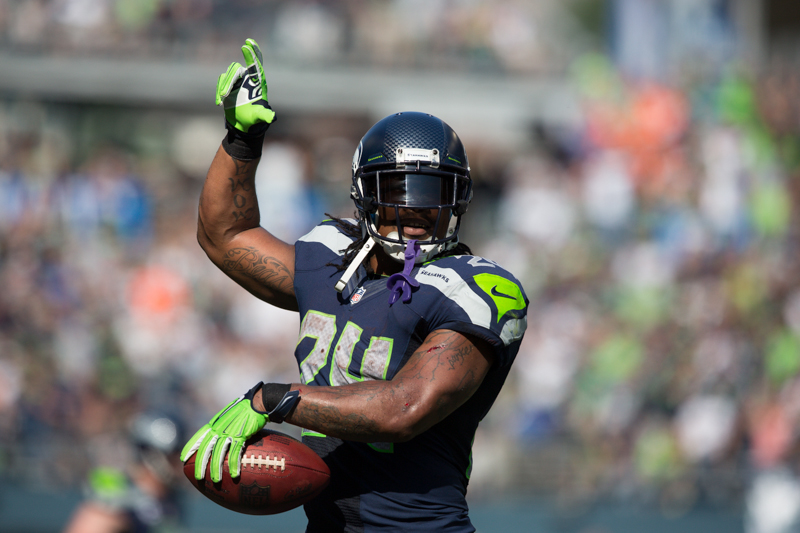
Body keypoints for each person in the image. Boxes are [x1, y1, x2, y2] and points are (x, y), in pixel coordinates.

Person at [180, 38, 528, 532]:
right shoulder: (333, 257)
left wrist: (275, 399)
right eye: (395, 190)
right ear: (364, 195)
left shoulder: (474, 290)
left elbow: (404, 408)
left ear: (459, 199)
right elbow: (225, 236)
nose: (413, 209)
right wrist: (241, 139)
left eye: (432, 193)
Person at [63, 411, 184, 533]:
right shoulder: (117, 494)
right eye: (174, 457)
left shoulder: (171, 499)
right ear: (152, 457)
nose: (180, 465)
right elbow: (90, 521)